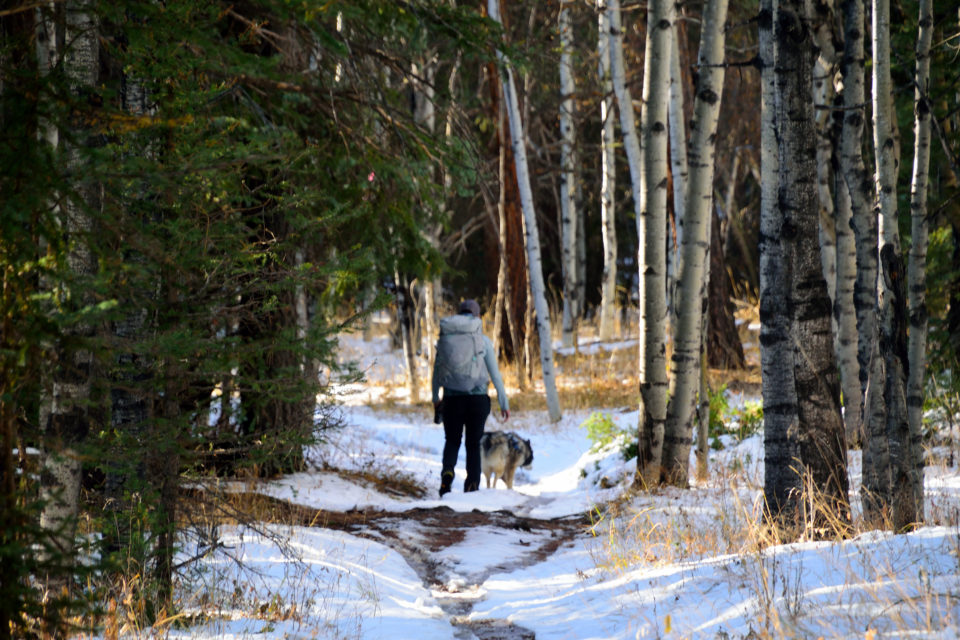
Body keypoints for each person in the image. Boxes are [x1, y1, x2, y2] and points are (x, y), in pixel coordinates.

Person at [432, 299, 509, 497]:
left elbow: (436, 373)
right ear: (476, 316)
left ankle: (447, 478)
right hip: (477, 400)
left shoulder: (446, 340)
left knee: (452, 441)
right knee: (473, 444)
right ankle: (472, 486)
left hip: (451, 399)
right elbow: (495, 374)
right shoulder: (482, 341)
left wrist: (435, 398)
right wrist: (503, 402)